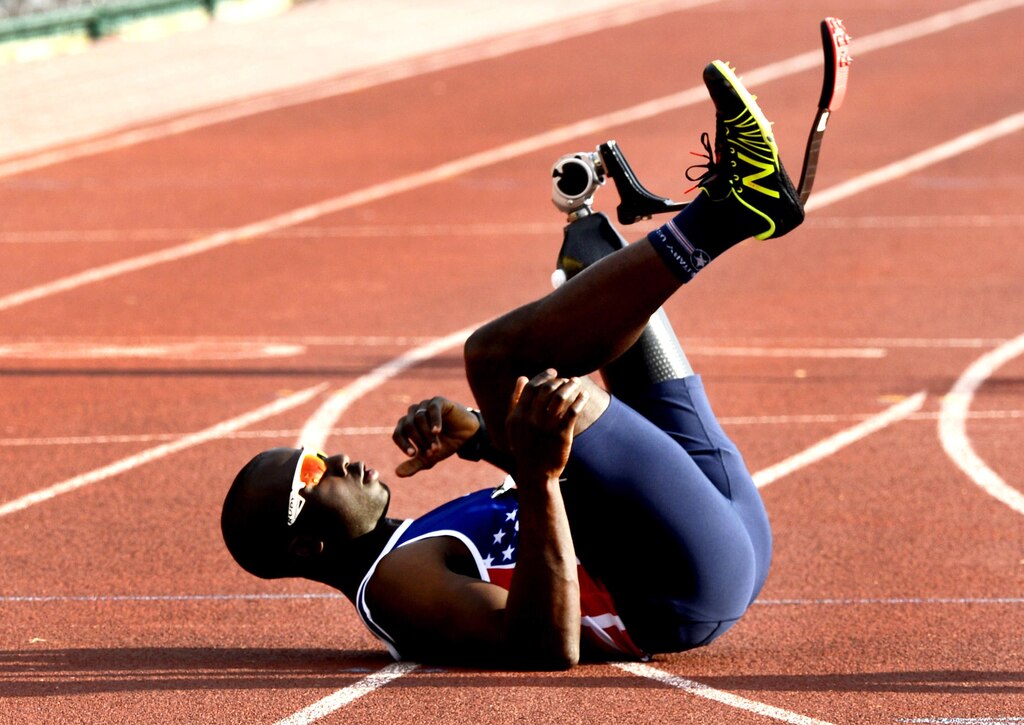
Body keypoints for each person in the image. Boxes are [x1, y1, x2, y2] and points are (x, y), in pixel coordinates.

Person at [221, 59, 805, 668]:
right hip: (673, 587)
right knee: (497, 358)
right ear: (311, 546)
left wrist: (479, 437)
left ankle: (732, 206)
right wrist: (539, 475)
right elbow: (541, 646)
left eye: (316, 453)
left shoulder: (407, 545)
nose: (333, 458)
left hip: (714, 529)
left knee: (595, 280)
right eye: (311, 476)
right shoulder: (396, 585)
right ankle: (732, 211)